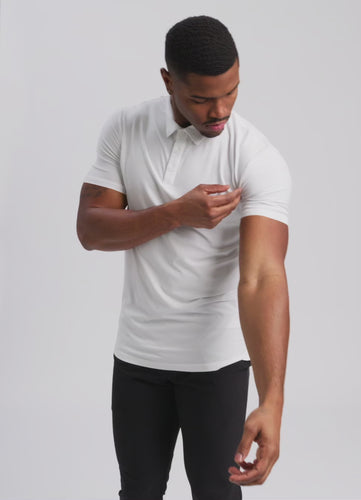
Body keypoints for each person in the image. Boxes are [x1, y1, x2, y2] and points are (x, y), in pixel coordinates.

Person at [76, 14, 292, 500]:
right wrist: (175, 214)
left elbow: (262, 277)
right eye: (201, 99)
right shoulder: (126, 128)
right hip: (136, 358)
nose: (220, 110)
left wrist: (272, 401)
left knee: (217, 494)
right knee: (138, 492)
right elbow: (90, 229)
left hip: (216, 364)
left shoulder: (256, 157)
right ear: (168, 81)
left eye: (231, 92)